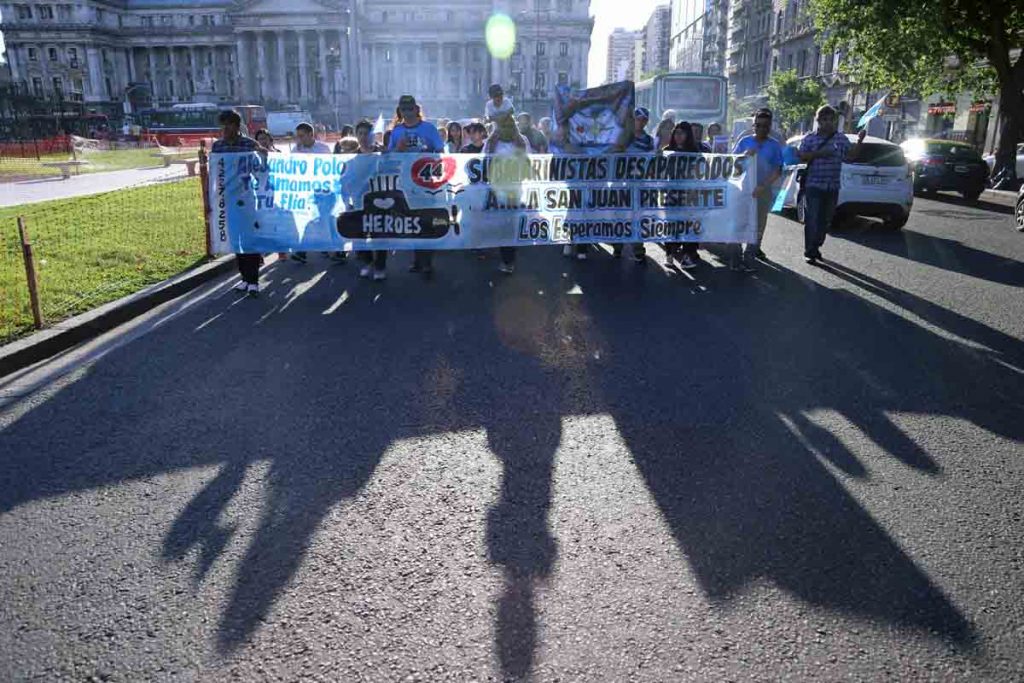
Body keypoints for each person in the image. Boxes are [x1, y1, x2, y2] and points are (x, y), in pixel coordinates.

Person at [798, 105, 865, 264]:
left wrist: (860, 141)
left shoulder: (840, 139)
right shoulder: (810, 138)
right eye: (824, 119)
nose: (828, 123)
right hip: (814, 186)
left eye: (831, 120)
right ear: (818, 121)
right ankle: (810, 251)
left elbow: (851, 157)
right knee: (812, 219)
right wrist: (819, 153)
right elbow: (801, 157)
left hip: (832, 187)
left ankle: (816, 245)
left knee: (825, 221)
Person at [388, 95, 445, 275]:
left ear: (416, 109)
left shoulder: (428, 128)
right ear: (400, 111)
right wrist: (399, 149)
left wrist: (427, 153)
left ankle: (427, 260)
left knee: (427, 221)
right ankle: (418, 259)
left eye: (410, 108)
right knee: (412, 221)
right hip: (406, 182)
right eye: (403, 109)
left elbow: (441, 152)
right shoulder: (396, 131)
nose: (407, 112)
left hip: (427, 183)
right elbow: (389, 156)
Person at [212, 109, 267, 295]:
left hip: (246, 199)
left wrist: (264, 156)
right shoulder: (217, 147)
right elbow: (215, 174)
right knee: (237, 241)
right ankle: (244, 278)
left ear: (236, 126)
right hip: (227, 201)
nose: (224, 129)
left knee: (249, 239)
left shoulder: (249, 144)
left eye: (228, 124)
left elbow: (261, 170)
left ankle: (254, 281)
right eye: (222, 125)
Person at [730, 108, 785, 272]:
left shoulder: (774, 146)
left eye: (766, 126)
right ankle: (735, 257)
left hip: (763, 191)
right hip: (742, 191)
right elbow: (733, 166)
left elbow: (778, 170)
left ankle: (749, 258)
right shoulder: (744, 141)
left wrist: (763, 186)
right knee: (738, 224)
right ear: (753, 126)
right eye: (758, 125)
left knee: (758, 226)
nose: (762, 129)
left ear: (770, 127)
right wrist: (744, 157)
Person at [485, 111, 532, 273]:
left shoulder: (521, 140)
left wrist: (521, 149)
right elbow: (484, 161)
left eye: (509, 125)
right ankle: (505, 254)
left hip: (514, 187)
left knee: (510, 222)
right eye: (502, 125)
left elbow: (529, 163)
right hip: (497, 187)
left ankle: (508, 259)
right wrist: (491, 143)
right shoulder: (492, 141)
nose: (506, 128)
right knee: (499, 222)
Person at [289, 122, 335, 264]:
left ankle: (331, 248)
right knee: (305, 220)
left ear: (311, 134)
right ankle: (301, 251)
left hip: (323, 191)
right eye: (298, 136)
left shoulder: (323, 148)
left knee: (325, 219)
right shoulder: (296, 151)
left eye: (302, 136)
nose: (299, 139)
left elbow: (331, 168)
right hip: (305, 192)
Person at [662, 122, 702, 269]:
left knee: (689, 226)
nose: (679, 136)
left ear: (688, 135)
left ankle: (687, 256)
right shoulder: (666, 151)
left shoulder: (695, 153)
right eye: (676, 132)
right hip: (671, 194)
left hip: (689, 196)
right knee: (671, 225)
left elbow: (701, 172)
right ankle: (669, 254)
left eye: (682, 133)